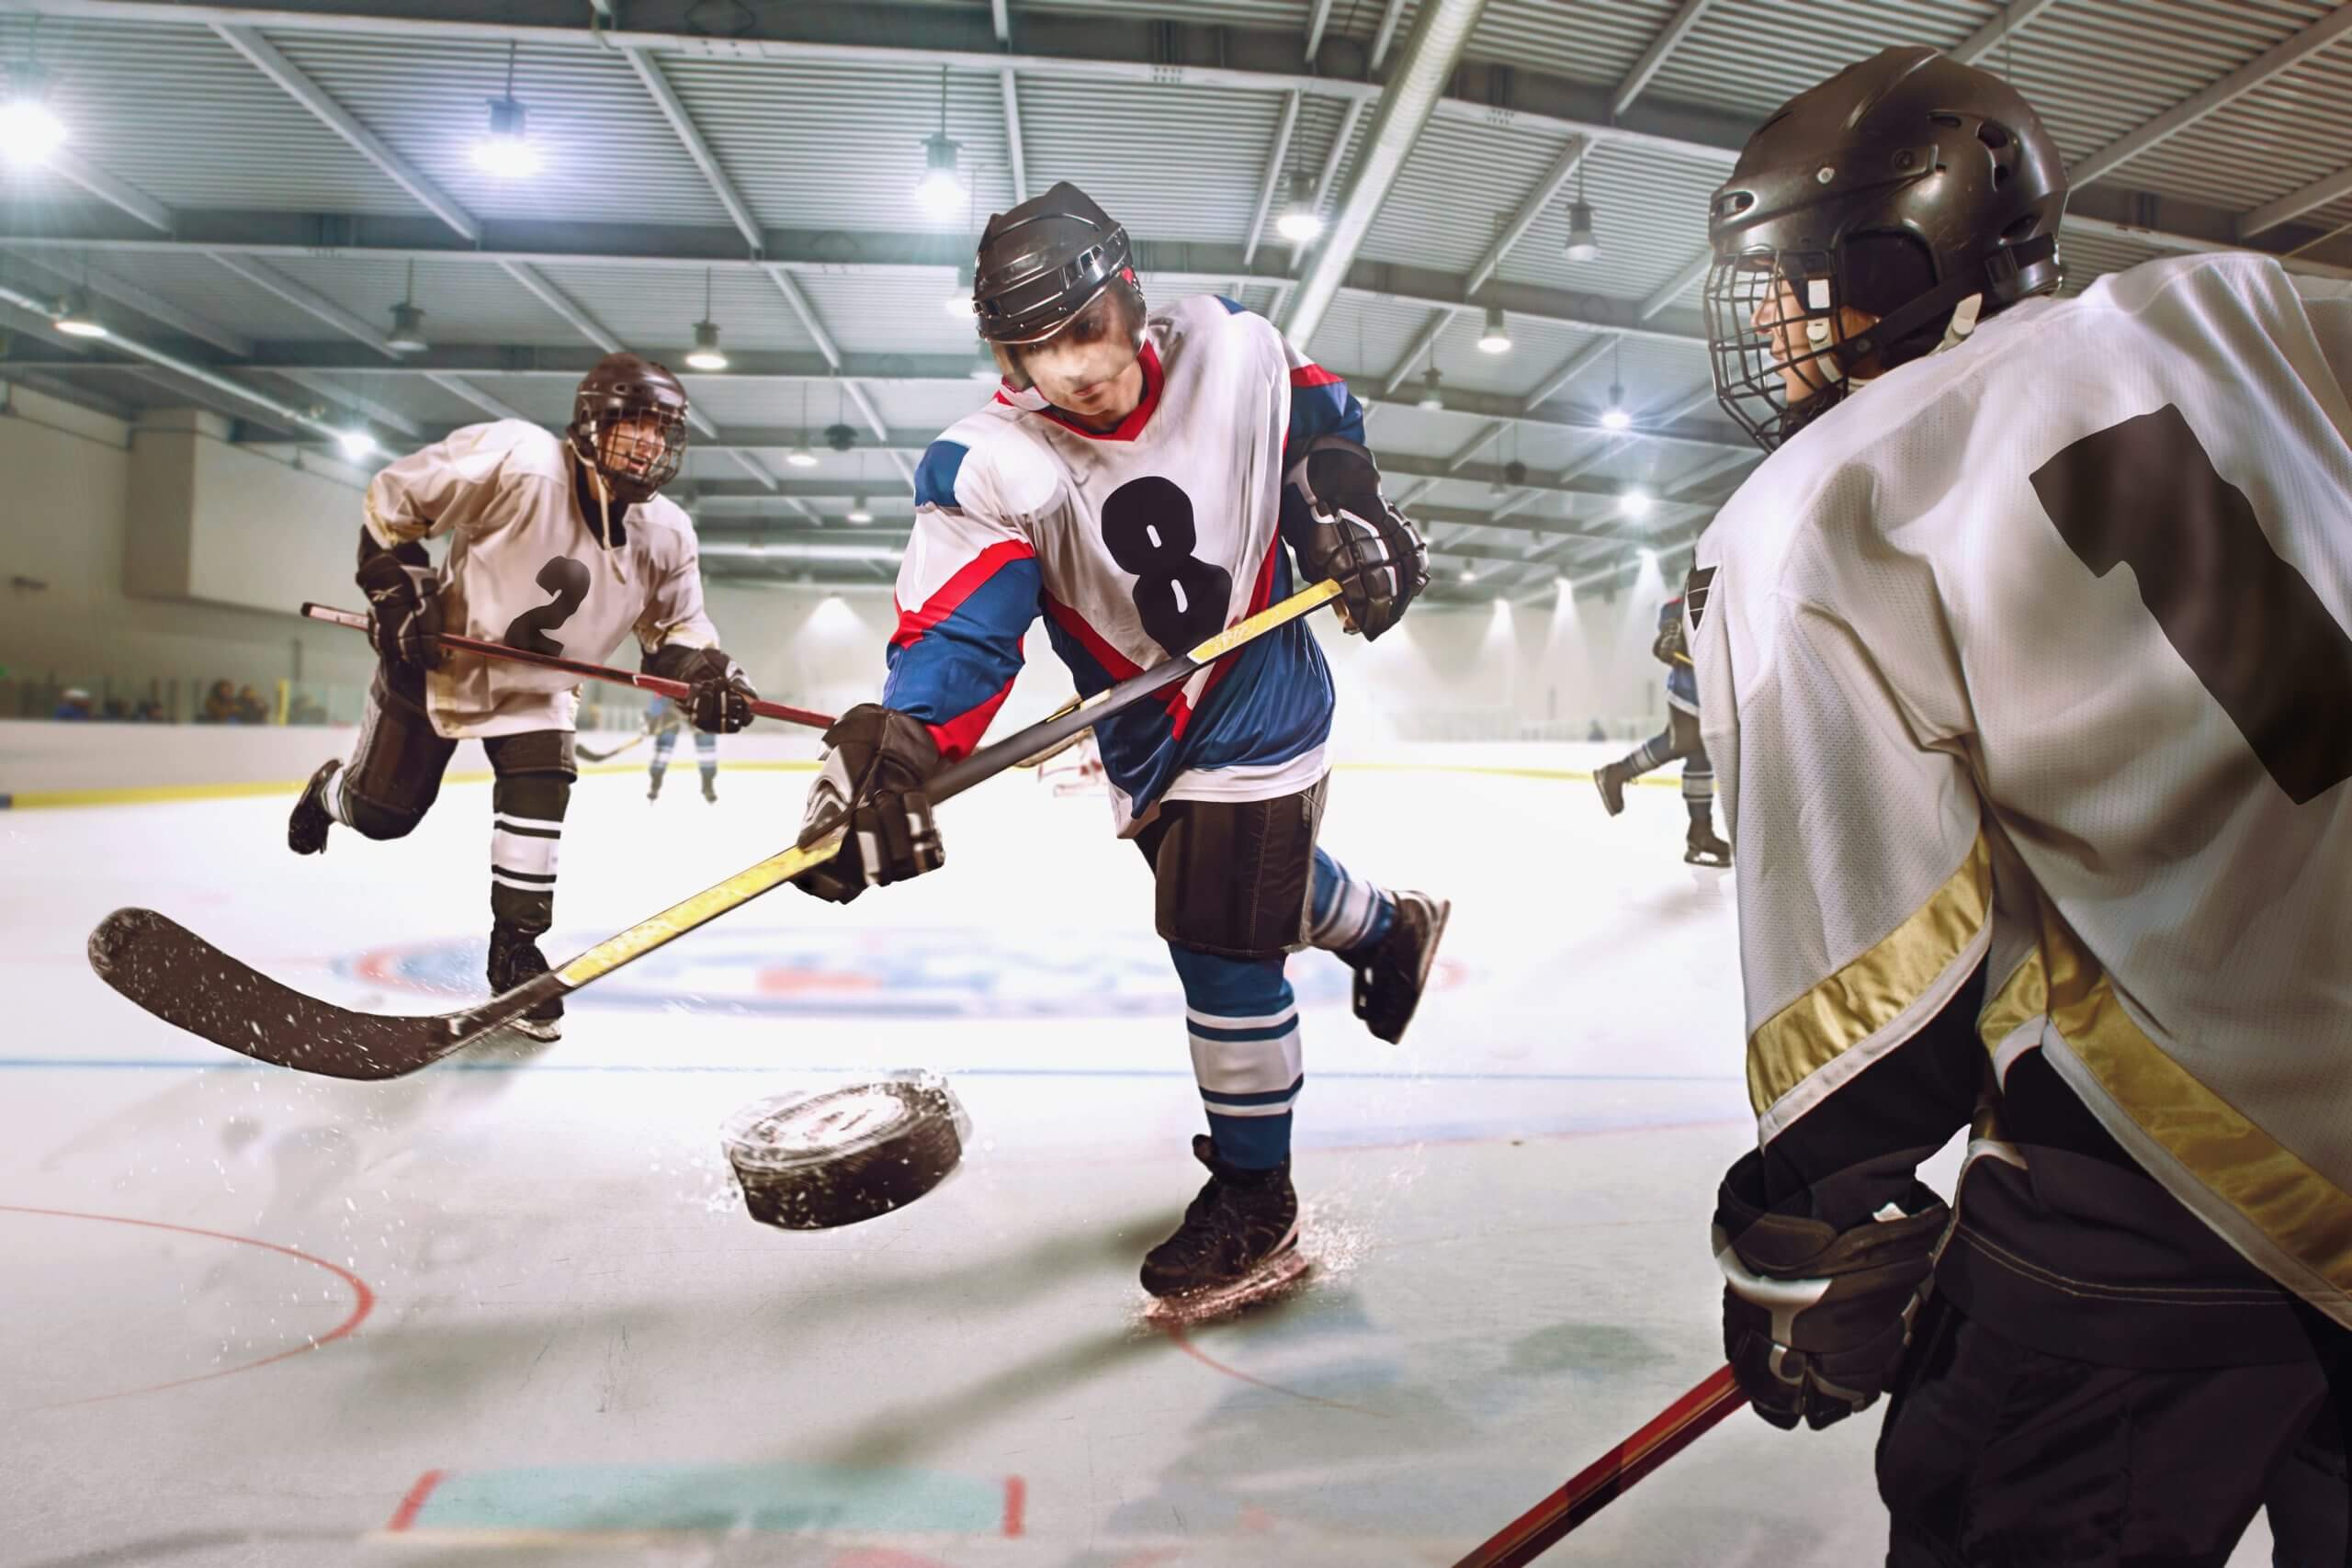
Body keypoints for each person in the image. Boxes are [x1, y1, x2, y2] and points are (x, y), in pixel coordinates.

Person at [1691, 46, 2352, 1563]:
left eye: (1799, 284)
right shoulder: (2241, 305)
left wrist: (1802, 1224)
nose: (1782, 331)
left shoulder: (1827, 498)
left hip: (2194, 1164)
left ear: (1897, 254)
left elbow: (1878, 975)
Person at [787, 182, 1449, 1304]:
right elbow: (963, 634)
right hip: (1142, 735)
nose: (1075, 369)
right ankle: (1386, 926)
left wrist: (1347, 508)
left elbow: (1318, 424)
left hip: (1261, 692)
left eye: (1088, 330)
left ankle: (1257, 1195)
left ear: (1128, 299)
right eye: (1037, 350)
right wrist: (899, 751)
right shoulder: (988, 464)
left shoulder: (1233, 345)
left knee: (1216, 941)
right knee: (1251, 897)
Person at [285, 354, 756, 1043]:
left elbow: (675, 632)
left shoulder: (667, 532)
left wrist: (710, 675)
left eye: (663, 429)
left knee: (543, 787)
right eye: (635, 422)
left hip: (540, 691)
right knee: (385, 816)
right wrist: (398, 589)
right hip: (437, 662)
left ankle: (514, 952)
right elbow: (395, 503)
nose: (651, 442)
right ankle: (332, 793)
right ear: (593, 424)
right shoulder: (519, 459)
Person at [1591, 572, 1729, 865]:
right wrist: (1672, 633)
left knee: (1699, 756)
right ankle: (1616, 773)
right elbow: (1672, 624)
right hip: (1689, 693)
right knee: (1683, 742)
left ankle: (1700, 831)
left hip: (1712, 692)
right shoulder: (1690, 600)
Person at [643, 694, 717, 803]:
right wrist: (654, 719)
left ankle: (708, 783)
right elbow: (659, 690)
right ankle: (655, 783)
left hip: (698, 702)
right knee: (665, 739)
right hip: (670, 703)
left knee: (705, 740)